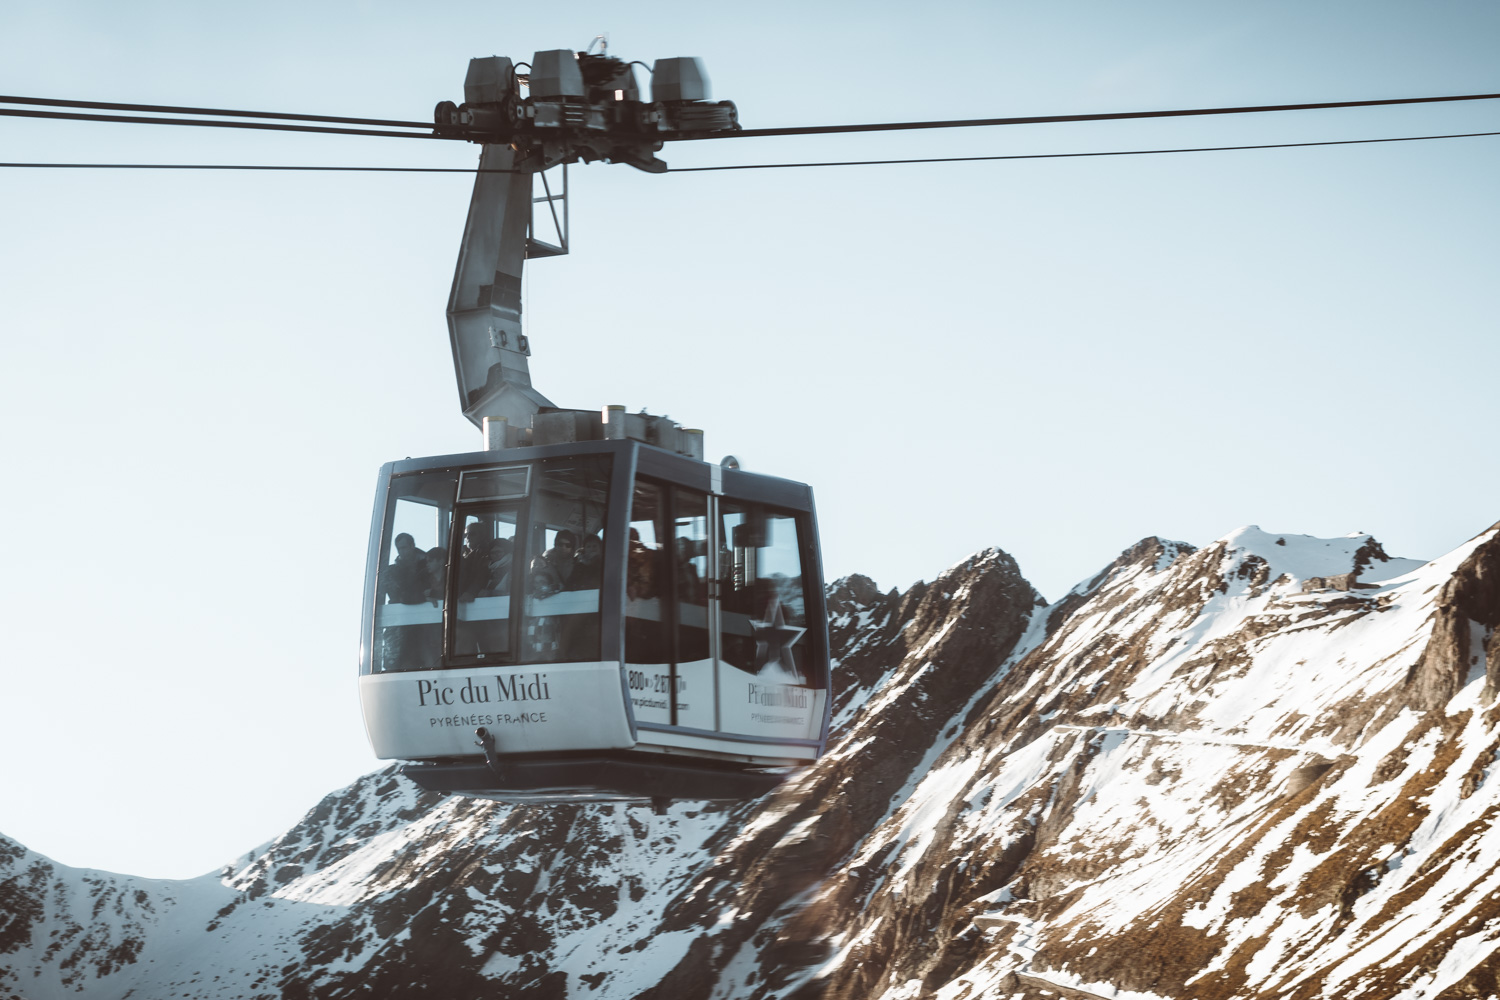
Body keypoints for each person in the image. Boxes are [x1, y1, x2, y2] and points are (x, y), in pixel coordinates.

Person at [530, 529, 577, 598]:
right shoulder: (544, 563)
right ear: (555, 545)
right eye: (560, 544)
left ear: (572, 548)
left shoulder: (577, 565)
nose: (563, 547)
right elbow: (537, 583)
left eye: (568, 545)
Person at [383, 532, 427, 605]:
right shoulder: (392, 571)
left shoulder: (428, 564)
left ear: (412, 546)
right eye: (399, 549)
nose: (401, 551)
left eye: (404, 548)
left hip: (426, 607)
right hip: (401, 609)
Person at [458, 522, 492, 601]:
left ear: (482, 536)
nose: (468, 537)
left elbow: (483, 574)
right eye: (466, 535)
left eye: (472, 534)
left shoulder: (487, 553)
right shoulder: (463, 554)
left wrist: (470, 592)